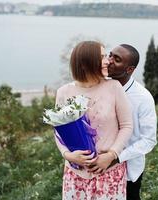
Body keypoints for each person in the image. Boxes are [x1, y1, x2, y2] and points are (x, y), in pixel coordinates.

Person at [54, 41, 133, 199]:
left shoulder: (114, 87)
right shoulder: (63, 92)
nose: (107, 61)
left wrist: (111, 155)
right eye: (102, 57)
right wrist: (68, 155)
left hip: (109, 173)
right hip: (74, 175)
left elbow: (127, 126)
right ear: (85, 63)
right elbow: (58, 132)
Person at [108, 44, 157, 200]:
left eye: (116, 59)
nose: (109, 61)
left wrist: (115, 157)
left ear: (129, 69)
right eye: (110, 55)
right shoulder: (101, 87)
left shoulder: (143, 98)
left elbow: (148, 140)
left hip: (128, 172)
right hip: (100, 167)